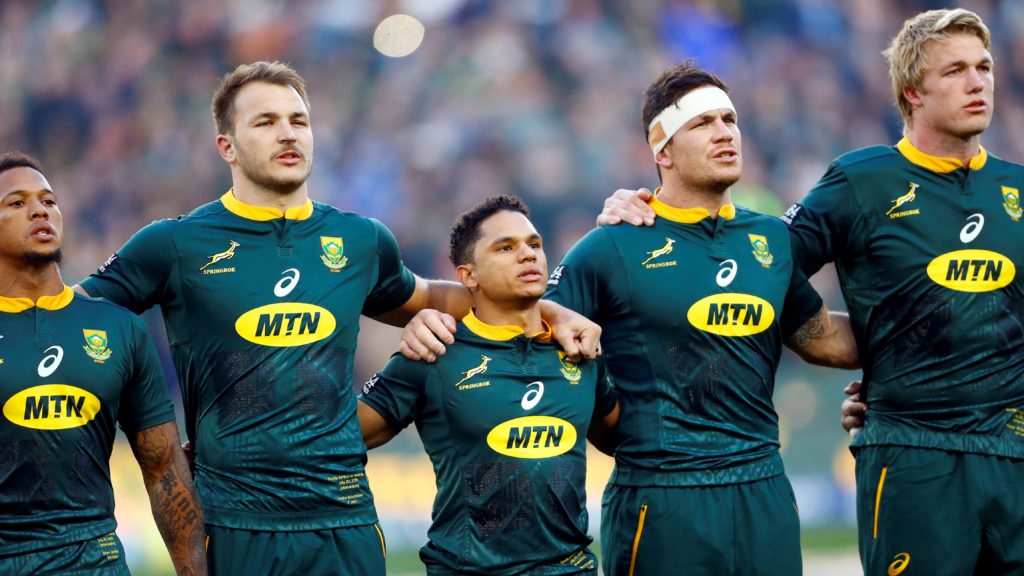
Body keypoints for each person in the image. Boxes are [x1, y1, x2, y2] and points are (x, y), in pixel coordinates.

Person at [77, 61, 600, 575]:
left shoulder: (359, 240)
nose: (288, 134)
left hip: (345, 515)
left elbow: (439, 297)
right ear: (226, 147)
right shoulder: (174, 244)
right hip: (237, 517)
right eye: (265, 122)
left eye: (298, 121)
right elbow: (66, 314)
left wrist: (546, 311)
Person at [602, 9, 1024, 576]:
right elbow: (754, 265)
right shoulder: (860, 181)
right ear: (911, 92)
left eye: (984, 67)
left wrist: (884, 352)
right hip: (912, 455)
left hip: (1015, 452)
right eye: (954, 71)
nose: (977, 82)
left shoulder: (1016, 190)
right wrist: (653, 208)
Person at [543, 63, 858, 576]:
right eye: (702, 123)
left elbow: (823, 338)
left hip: (763, 489)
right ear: (662, 151)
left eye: (729, 120)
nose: (725, 133)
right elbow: (528, 321)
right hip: (663, 496)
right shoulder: (611, 246)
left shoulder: (772, 241)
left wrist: (923, 341)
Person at [357, 195, 619, 575]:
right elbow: (343, 438)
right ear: (468, 276)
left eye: (534, 244)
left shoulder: (578, 348)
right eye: (505, 247)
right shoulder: (435, 351)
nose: (528, 255)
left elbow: (623, 441)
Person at [0, 151, 206, 575]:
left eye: (49, 200)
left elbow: (164, 471)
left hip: (98, 561)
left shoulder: (119, 329)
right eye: (16, 203)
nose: (39, 209)